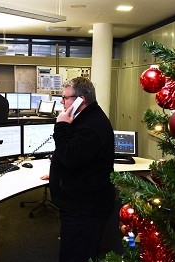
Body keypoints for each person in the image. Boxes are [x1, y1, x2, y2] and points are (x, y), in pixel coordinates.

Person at [44, 77, 115, 262]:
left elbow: (71, 157)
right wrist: (57, 173)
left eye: (65, 97)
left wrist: (61, 126)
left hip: (85, 210)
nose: (61, 101)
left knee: (75, 256)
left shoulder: (92, 125)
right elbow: (79, 156)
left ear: (80, 100)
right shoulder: (86, 118)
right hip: (82, 204)